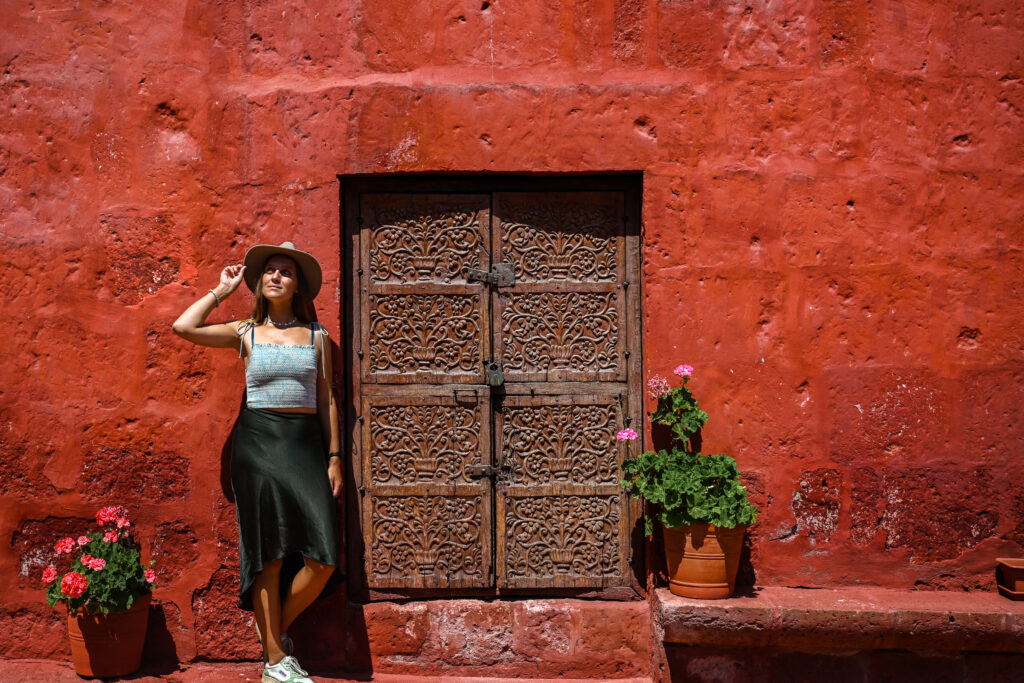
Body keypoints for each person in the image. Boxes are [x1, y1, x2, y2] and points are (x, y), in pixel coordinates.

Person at [172, 241, 343, 683]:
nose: (276, 277)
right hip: (258, 448)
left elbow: (327, 401)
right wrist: (221, 291)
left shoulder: (317, 337)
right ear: (259, 282)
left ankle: (274, 632)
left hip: (304, 447)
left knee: (322, 560)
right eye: (269, 270)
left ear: (297, 285)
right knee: (267, 556)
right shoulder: (244, 331)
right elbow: (183, 326)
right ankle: (274, 663)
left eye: (286, 272)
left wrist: (335, 456)